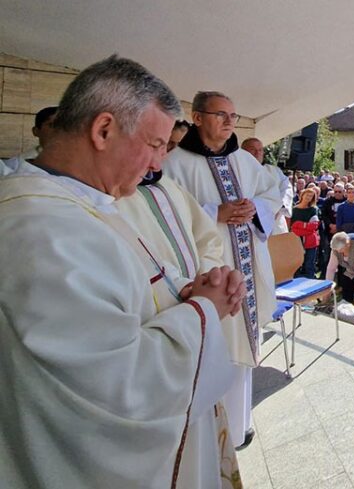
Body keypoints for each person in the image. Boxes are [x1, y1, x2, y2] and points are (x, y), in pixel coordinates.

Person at [0, 56, 243, 488]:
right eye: (154, 145)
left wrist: (188, 291)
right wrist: (204, 310)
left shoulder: (80, 205)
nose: (156, 165)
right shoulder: (47, 230)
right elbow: (121, 391)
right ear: (104, 130)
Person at [115, 142, 242, 487]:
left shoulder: (169, 187)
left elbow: (205, 241)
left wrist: (209, 280)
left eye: (168, 145)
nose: (162, 159)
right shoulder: (107, 197)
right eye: (156, 144)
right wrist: (200, 299)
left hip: (192, 322)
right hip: (164, 351)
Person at [164, 90, 284, 449]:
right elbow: (167, 211)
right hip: (208, 272)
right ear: (197, 117)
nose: (230, 121)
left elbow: (272, 192)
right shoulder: (174, 164)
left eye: (233, 115)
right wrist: (214, 213)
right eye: (221, 115)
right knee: (213, 347)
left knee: (243, 348)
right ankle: (211, 435)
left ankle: (240, 425)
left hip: (245, 268)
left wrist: (256, 208)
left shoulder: (244, 161)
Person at [242, 136, 294, 233]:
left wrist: (278, 208)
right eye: (253, 150)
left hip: (276, 221)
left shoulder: (274, 171)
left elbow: (286, 188)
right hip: (248, 221)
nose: (257, 153)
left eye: (260, 150)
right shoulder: (238, 171)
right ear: (243, 152)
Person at [290, 187, 321, 277]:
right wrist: (304, 227)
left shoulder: (313, 210)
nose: (308, 197)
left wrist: (299, 225)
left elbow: (313, 226)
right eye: (307, 195)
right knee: (296, 264)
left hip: (310, 241)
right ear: (302, 195)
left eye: (311, 196)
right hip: (296, 241)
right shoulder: (294, 210)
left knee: (309, 264)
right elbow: (292, 227)